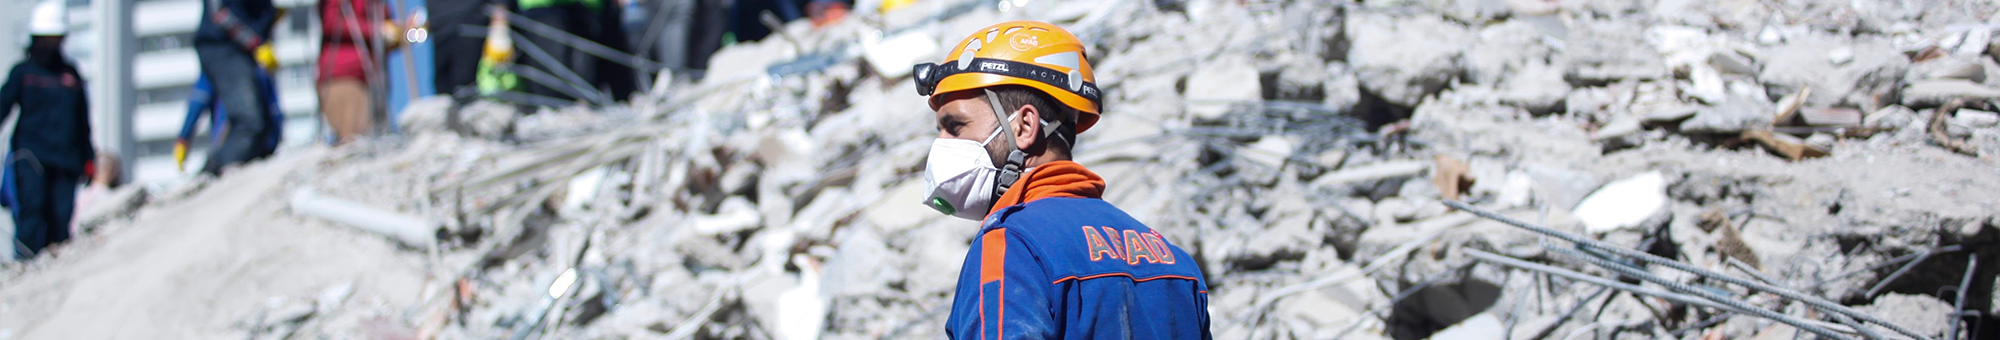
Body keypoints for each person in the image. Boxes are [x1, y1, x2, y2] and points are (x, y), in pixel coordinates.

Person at [912, 21, 1212, 339]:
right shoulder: (1173, 260)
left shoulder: (1012, 244)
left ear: (1024, 127)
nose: (941, 145)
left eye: (955, 126)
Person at [1, 0, 97, 260]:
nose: (52, 44)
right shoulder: (23, 73)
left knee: (60, 219)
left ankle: (56, 267)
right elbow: (3, 106)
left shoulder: (71, 75)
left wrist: (89, 159)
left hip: (66, 160)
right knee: (32, 211)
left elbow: (82, 122)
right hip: (31, 156)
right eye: (47, 38)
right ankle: (26, 265)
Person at [195, 0, 277, 173]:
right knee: (249, 122)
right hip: (224, 48)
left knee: (263, 129)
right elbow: (221, 13)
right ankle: (215, 173)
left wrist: (268, 16)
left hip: (237, 50)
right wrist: (256, 42)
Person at [175, 58, 286, 173]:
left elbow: (198, 101)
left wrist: (183, 138)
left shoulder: (220, 61)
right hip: (255, 143)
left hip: (234, 146)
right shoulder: (253, 61)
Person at [319, 0, 403, 144]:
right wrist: (377, 31)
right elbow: (331, 23)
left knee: (374, 141)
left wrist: (399, 33)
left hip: (373, 79)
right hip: (345, 77)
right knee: (354, 142)